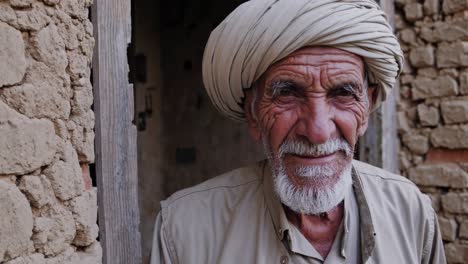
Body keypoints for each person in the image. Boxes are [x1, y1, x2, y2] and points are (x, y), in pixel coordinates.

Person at [151, 0, 446, 263]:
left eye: (342, 93)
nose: (317, 132)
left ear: (366, 109)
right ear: (253, 113)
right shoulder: (184, 230)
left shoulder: (410, 214)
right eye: (287, 94)